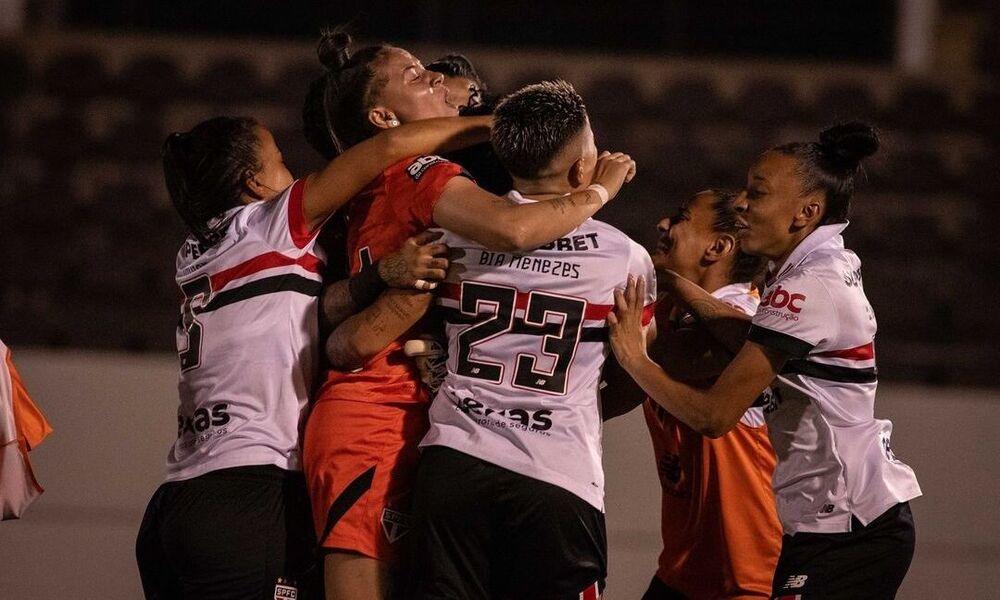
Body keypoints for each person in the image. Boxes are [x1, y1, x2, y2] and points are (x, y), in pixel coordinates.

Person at [299, 32, 637, 600]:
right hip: (381, 409)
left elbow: (336, 319)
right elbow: (516, 229)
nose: (431, 76)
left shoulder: (370, 182)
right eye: (413, 76)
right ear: (383, 116)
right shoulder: (425, 173)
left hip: (413, 415)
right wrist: (599, 190)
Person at [135, 112, 493, 600]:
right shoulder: (272, 221)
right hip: (250, 489)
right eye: (280, 163)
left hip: (176, 502)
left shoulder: (195, 251)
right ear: (254, 181)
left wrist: (380, 274)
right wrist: (497, 122)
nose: (291, 176)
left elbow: (300, 309)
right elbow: (390, 147)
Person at [608, 122, 922, 600]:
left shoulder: (807, 287)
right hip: (818, 526)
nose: (742, 203)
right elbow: (752, 335)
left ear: (806, 212)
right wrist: (676, 285)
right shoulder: (815, 268)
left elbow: (714, 416)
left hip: (849, 526)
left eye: (757, 193)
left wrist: (635, 357)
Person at [405, 80, 654, 600]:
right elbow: (638, 368)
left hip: (452, 466)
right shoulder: (622, 257)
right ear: (584, 169)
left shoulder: (453, 237)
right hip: (556, 474)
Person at [603, 189, 782, 599]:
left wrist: (636, 344)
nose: (663, 225)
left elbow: (676, 356)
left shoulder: (747, 316)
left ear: (718, 247)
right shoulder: (668, 312)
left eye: (681, 217)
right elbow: (615, 399)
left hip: (747, 576)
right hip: (685, 571)